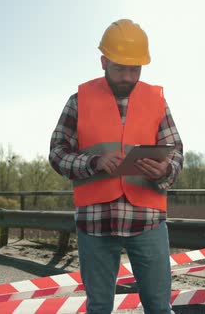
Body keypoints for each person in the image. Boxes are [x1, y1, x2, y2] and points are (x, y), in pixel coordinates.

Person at [49, 19, 184, 314]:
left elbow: (177, 153)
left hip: (147, 220)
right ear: (103, 61)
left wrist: (165, 170)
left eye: (134, 69)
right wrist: (93, 162)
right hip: (96, 221)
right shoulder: (78, 101)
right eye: (119, 67)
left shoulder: (156, 101)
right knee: (98, 308)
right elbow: (57, 154)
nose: (127, 76)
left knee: (160, 308)